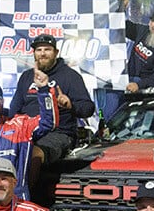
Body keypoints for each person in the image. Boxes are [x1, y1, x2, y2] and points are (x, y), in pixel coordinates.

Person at [9, 34, 96, 167]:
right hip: (27, 131)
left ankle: (25, 188)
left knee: (32, 153)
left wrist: (70, 106)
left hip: (59, 133)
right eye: (39, 50)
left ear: (56, 52)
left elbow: (88, 108)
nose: (42, 54)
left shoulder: (70, 76)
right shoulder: (26, 77)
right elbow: (14, 110)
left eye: (47, 49)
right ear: (34, 53)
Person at [116, 3, 154, 93]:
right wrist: (122, 6)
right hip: (126, 78)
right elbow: (120, 25)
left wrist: (139, 85)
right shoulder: (142, 31)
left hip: (145, 88)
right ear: (150, 22)